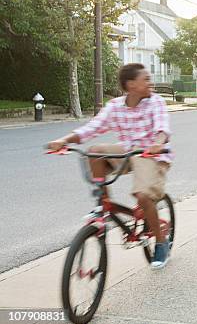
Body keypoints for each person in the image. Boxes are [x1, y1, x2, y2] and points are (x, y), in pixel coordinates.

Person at [47, 63, 174, 268]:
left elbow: (162, 127)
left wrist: (158, 143)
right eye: (146, 79)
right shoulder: (115, 106)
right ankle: (103, 203)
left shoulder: (155, 102)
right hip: (127, 151)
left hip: (150, 153)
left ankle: (161, 243)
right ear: (131, 85)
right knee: (94, 151)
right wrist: (64, 140)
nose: (151, 83)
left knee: (142, 195)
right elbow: (92, 128)